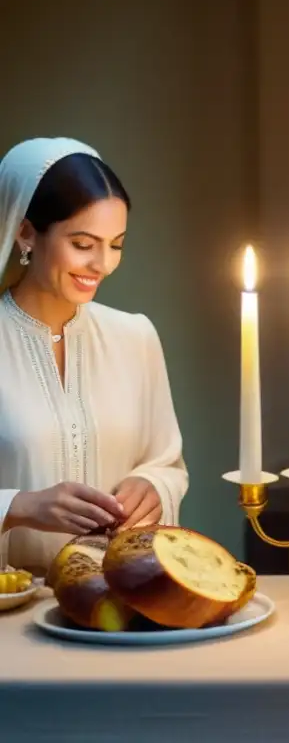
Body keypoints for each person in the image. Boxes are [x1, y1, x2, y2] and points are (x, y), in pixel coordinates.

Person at [0, 137, 188, 574]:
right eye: (83, 244)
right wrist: (22, 506)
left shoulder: (135, 336)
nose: (102, 264)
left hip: (118, 602)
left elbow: (168, 462)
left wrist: (154, 486)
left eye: (116, 244)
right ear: (25, 231)